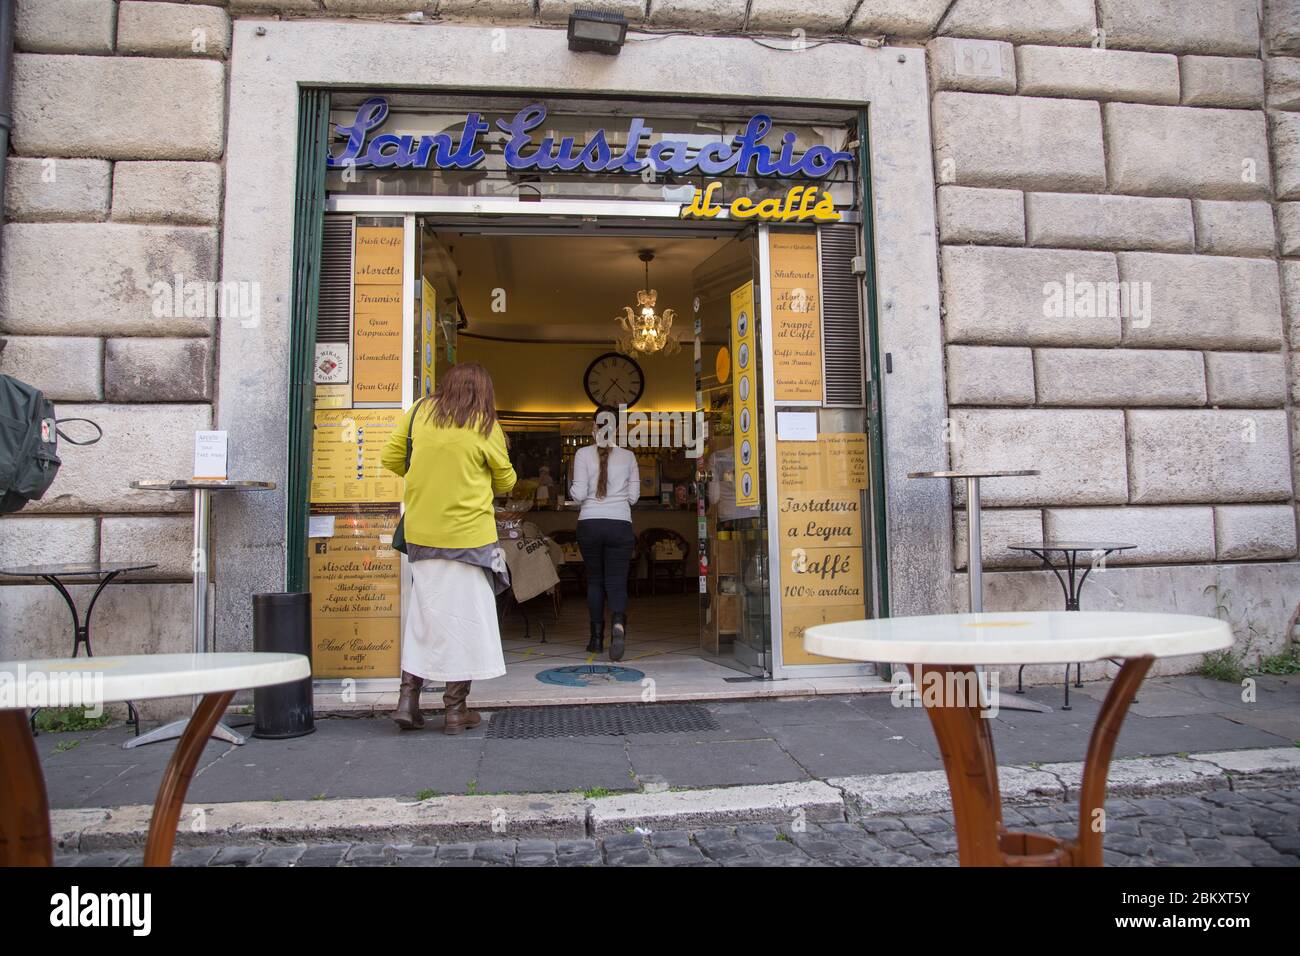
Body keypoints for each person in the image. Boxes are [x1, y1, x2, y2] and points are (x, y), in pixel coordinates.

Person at [381, 363, 516, 733]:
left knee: (426, 616)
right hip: (469, 538)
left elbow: (390, 459)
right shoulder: (483, 423)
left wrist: (428, 473)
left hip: (422, 535)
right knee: (465, 621)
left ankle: (408, 700)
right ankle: (455, 710)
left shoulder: (419, 412)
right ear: (483, 391)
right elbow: (506, 478)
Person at [570, 405, 639, 661]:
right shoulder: (629, 457)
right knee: (617, 582)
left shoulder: (582, 454)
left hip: (589, 524)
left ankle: (596, 640)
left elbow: (577, 495)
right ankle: (618, 627)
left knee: (595, 581)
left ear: (593, 426)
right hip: (620, 525)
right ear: (618, 428)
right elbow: (633, 497)